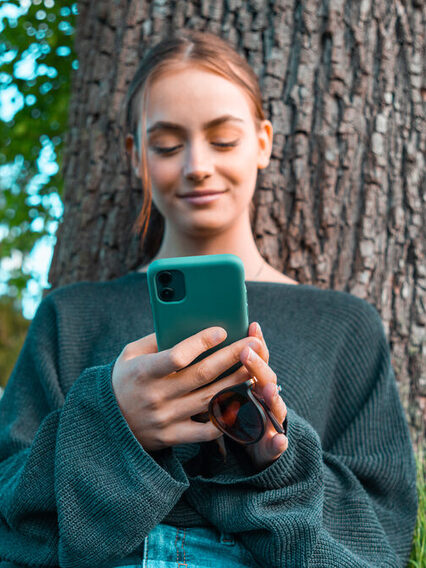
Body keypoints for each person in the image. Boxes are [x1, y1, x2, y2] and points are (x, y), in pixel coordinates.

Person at [0, 29, 418, 568]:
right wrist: (114, 421)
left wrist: (274, 462)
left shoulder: (344, 326)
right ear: (135, 157)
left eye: (223, 140)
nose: (197, 164)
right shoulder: (71, 314)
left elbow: (383, 533)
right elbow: (11, 512)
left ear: (263, 142)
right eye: (168, 145)